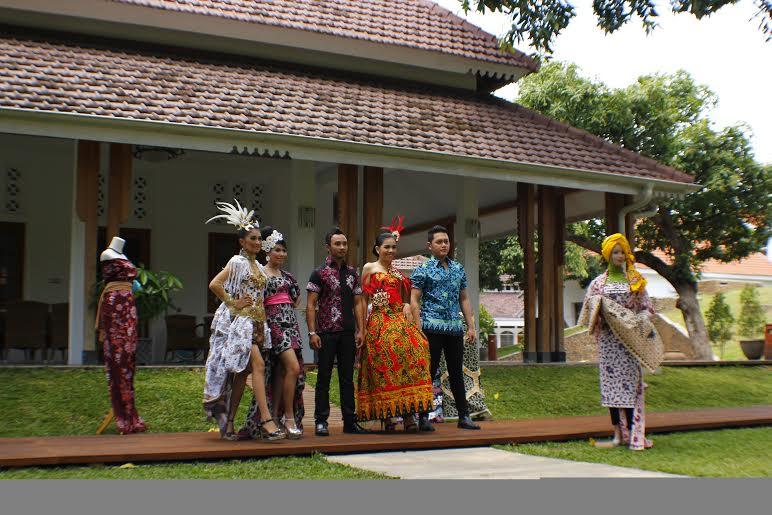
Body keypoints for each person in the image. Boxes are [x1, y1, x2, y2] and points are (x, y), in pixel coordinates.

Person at [202, 200, 284, 441]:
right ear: (241, 241)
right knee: (258, 366)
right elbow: (215, 284)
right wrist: (232, 302)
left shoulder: (257, 265)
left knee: (242, 374)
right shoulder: (237, 262)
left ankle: (228, 423)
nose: (257, 243)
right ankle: (268, 421)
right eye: (252, 239)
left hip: (258, 323)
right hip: (242, 324)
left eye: (259, 239)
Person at [356, 218, 434, 431]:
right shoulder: (370, 268)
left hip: (399, 320)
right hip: (380, 321)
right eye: (386, 247)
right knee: (385, 364)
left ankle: (409, 413)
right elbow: (362, 299)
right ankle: (388, 414)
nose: (391, 250)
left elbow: (405, 299)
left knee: (415, 352)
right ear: (377, 249)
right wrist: (362, 327)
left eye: (393, 247)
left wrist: (408, 308)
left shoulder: (398, 272)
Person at [580, 233, 655, 451]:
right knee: (611, 388)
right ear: (607, 255)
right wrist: (599, 312)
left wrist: (638, 320)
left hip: (630, 343)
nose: (620, 256)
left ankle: (633, 434)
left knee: (630, 387)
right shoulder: (598, 284)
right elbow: (588, 310)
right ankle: (616, 435)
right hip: (608, 342)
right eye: (615, 252)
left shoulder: (635, 282)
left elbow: (647, 307)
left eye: (622, 251)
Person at [410, 225, 481, 430]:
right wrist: (417, 325)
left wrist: (471, 326)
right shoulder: (423, 269)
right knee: (429, 372)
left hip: (454, 328)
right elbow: (414, 299)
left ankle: (464, 416)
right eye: (439, 242)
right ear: (429, 246)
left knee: (456, 372)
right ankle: (423, 417)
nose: (444, 245)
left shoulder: (458, 268)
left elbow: (465, 298)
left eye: (446, 241)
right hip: (430, 327)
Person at [240, 226, 304, 439]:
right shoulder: (260, 274)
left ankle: (276, 417)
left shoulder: (288, 276)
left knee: (282, 371)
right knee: (293, 367)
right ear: (267, 251)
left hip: (290, 324)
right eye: (277, 250)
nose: (281, 254)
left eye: (284, 251)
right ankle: (288, 417)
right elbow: (255, 301)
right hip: (272, 325)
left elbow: (296, 299)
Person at [306, 228, 369, 435]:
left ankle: (350, 422)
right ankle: (321, 422)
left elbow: (359, 303)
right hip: (325, 333)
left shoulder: (353, 273)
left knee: (346, 378)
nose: (342, 247)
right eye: (337, 244)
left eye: (344, 243)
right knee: (323, 377)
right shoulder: (319, 273)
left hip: (347, 333)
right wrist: (312, 332)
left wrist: (361, 330)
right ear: (328, 247)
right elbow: (311, 304)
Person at [95, 236, 147, 434]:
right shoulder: (107, 254)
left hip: (128, 307)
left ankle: (130, 411)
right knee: (118, 356)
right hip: (114, 306)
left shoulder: (123, 255)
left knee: (128, 357)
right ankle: (122, 412)